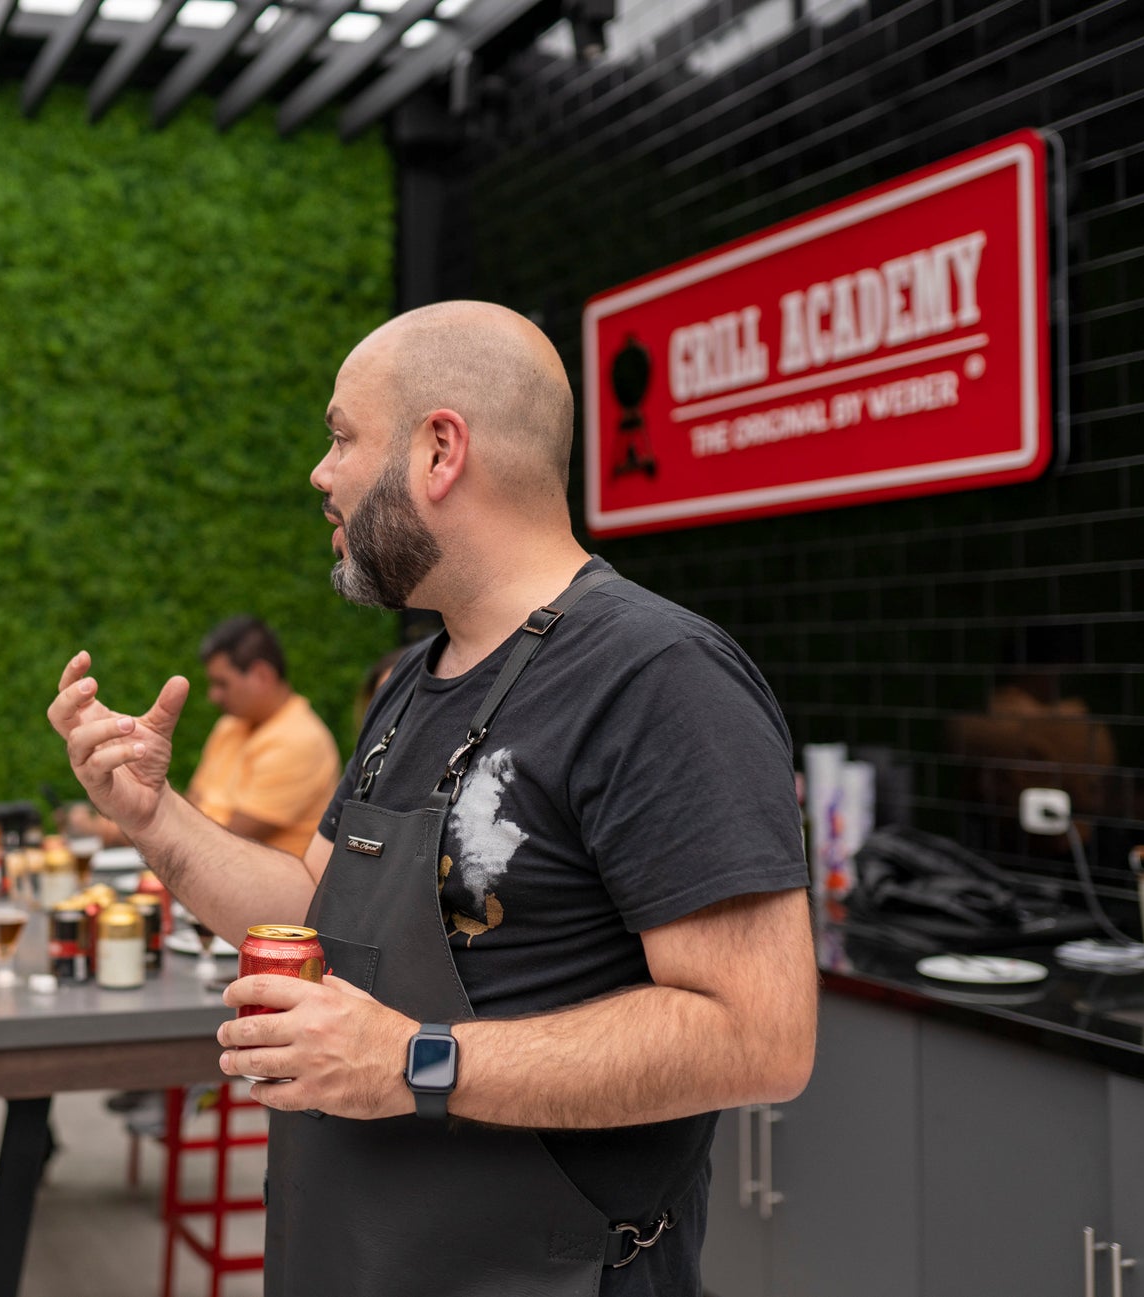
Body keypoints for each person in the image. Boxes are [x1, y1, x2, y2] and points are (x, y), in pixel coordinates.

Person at [48, 301, 817, 1296]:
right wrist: (153, 819)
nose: (319, 474)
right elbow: (311, 903)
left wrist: (411, 1061)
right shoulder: (413, 678)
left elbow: (758, 1037)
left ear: (438, 449)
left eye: (338, 435)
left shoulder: (656, 678)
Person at [69, 617, 341, 861]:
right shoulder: (231, 727)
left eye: (222, 683)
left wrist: (112, 829)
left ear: (262, 675)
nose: (213, 696)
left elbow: (227, 839)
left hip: (269, 903)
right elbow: (193, 804)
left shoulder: (299, 740)